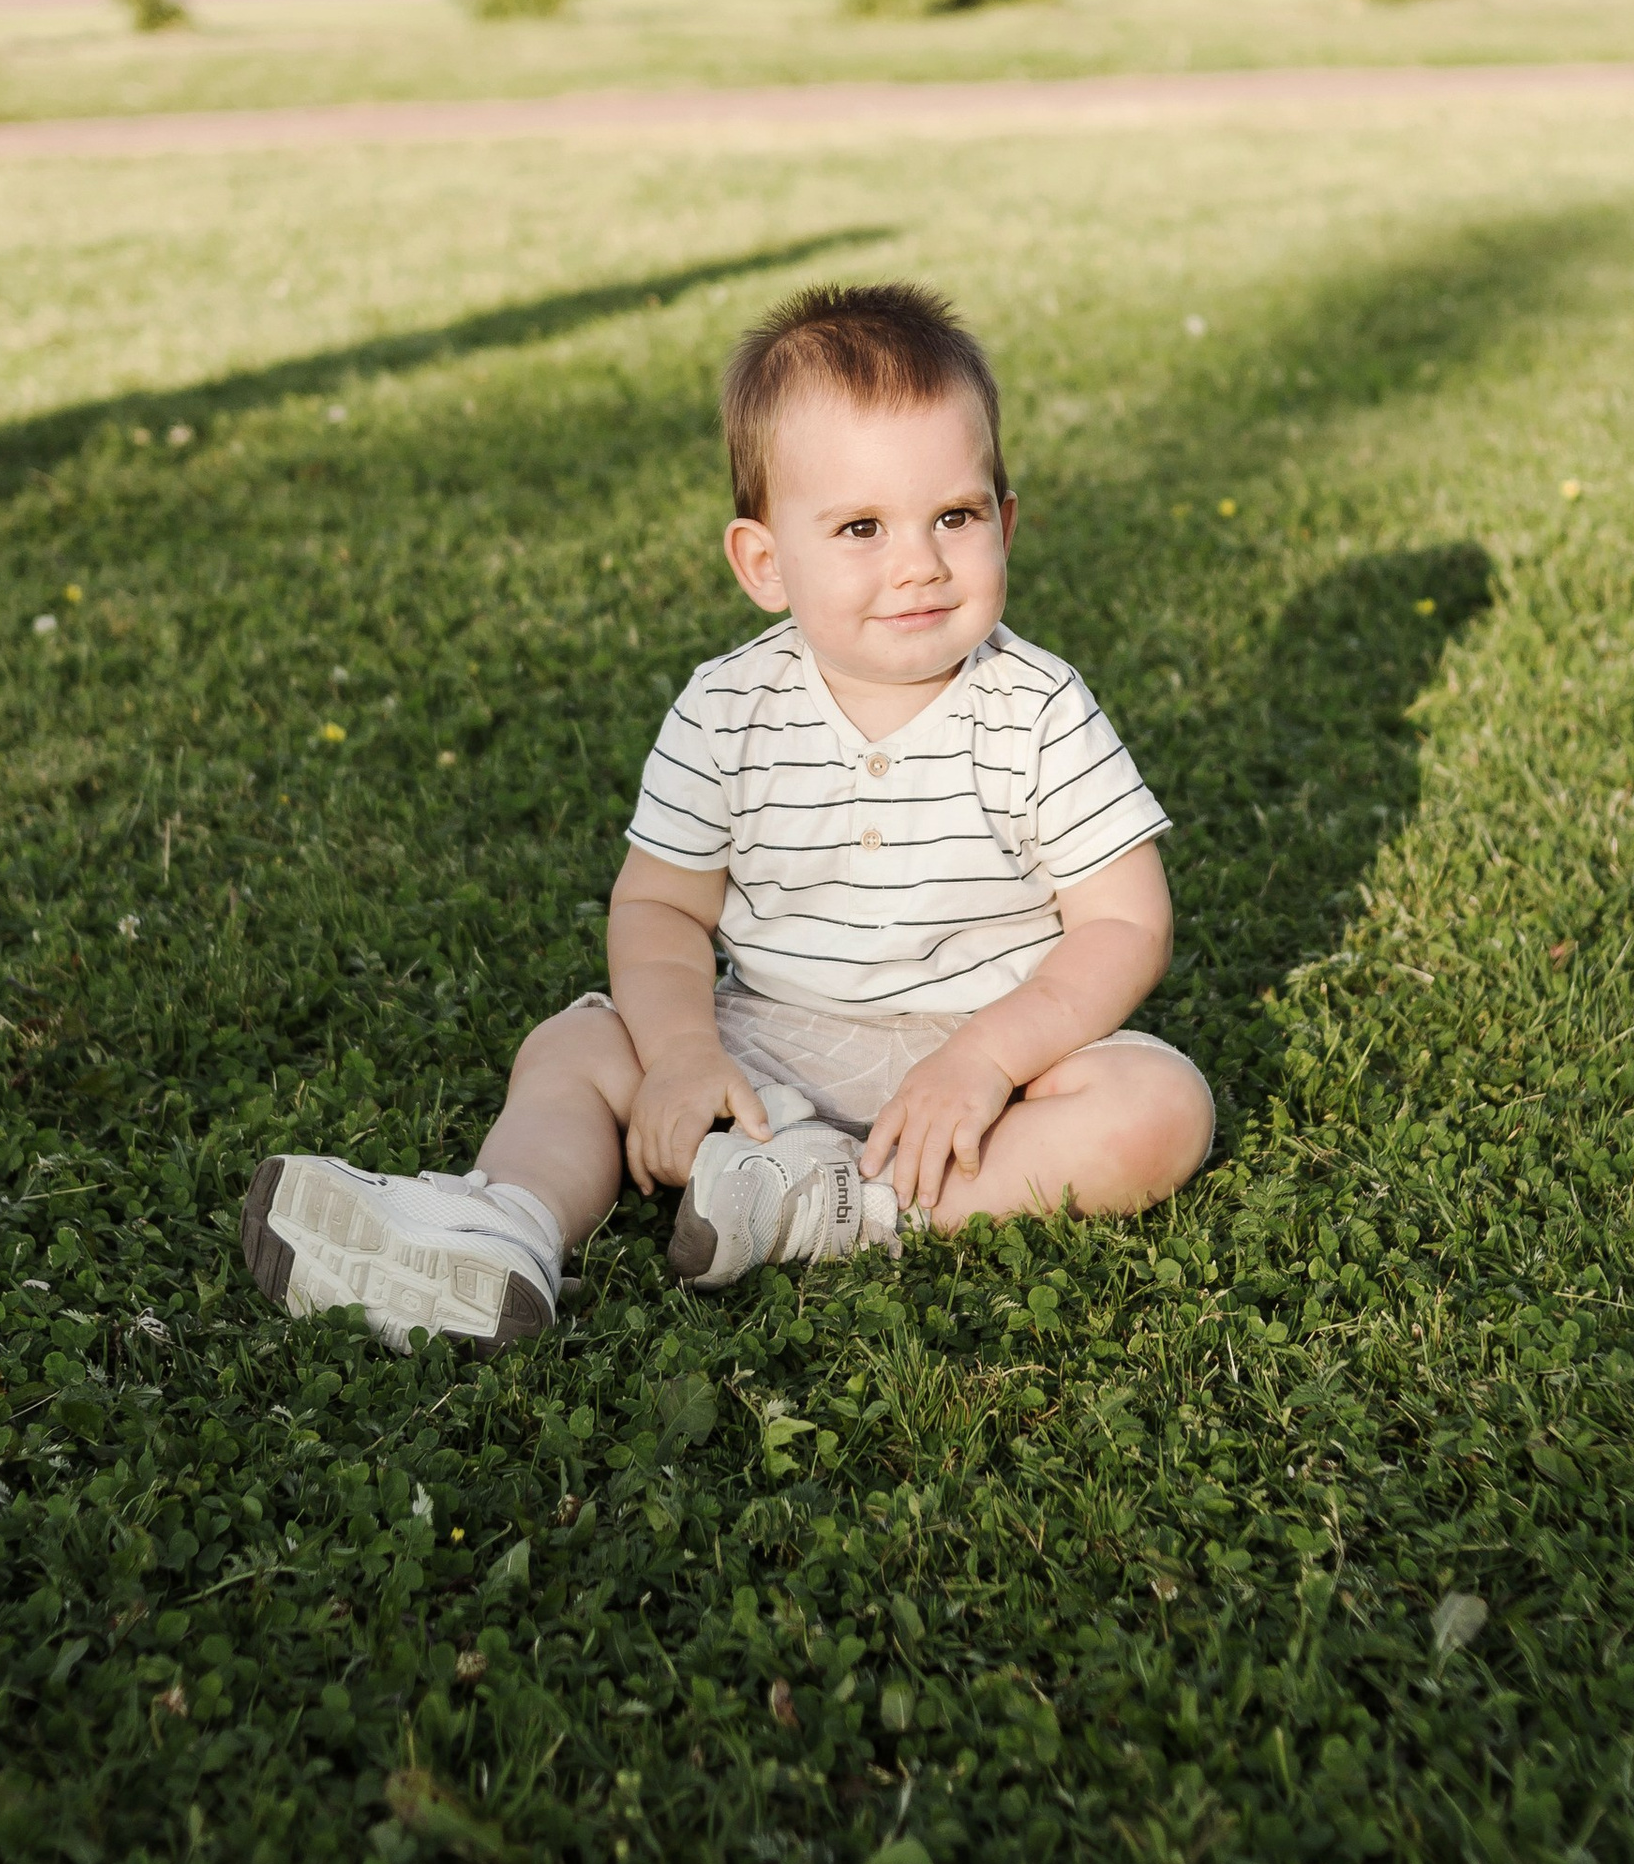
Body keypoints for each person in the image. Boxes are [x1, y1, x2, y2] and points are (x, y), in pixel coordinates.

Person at [239, 281, 1214, 1351]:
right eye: (859, 527)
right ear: (764, 563)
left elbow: (1125, 925)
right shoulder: (726, 708)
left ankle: (856, 1207)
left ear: (1006, 521)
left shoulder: (1035, 705)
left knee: (1156, 1103)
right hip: (766, 1045)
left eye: (956, 515)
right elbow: (660, 908)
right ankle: (506, 1222)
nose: (919, 563)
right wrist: (680, 1054)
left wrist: (982, 1063)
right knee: (575, 1046)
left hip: (983, 1053)